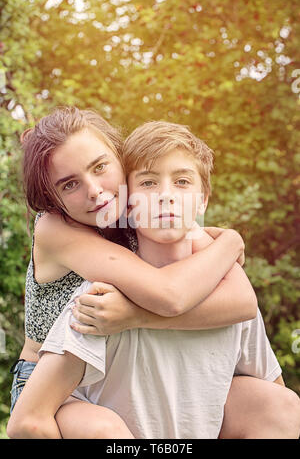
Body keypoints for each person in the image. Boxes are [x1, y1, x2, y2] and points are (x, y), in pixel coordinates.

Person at [7, 118, 300, 438]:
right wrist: (229, 243)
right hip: (46, 383)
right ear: (53, 197)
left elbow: (242, 301)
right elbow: (169, 294)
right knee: (102, 429)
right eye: (69, 184)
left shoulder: (135, 212)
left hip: (117, 366)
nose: (94, 190)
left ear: (119, 159)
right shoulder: (56, 227)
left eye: (100, 166)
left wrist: (229, 241)